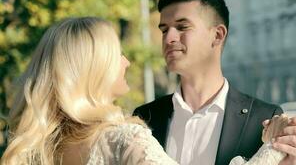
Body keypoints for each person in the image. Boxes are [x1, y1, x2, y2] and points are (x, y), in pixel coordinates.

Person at [133, 0, 296, 165]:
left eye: (182, 27)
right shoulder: (144, 118)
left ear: (217, 35)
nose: (169, 38)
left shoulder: (262, 119)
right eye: (164, 30)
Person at [0, 17, 178, 165]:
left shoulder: (35, 151)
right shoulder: (127, 142)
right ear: (95, 68)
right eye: (117, 53)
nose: (126, 62)